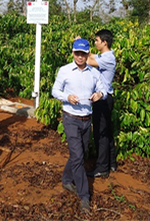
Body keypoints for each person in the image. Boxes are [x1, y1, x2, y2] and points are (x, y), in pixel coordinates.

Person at [51, 38, 107, 214]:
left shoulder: (94, 72)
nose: (80, 57)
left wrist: (100, 95)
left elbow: (103, 89)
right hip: (70, 118)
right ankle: (84, 197)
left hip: (86, 119)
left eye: (83, 53)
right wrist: (67, 98)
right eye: (77, 53)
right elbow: (55, 91)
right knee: (78, 157)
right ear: (73, 53)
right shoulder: (65, 71)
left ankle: (67, 179)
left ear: (87, 53)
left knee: (79, 153)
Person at [86, 29, 117, 178]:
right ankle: (111, 163)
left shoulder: (108, 58)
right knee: (107, 132)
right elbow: (92, 56)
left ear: (104, 42)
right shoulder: (106, 55)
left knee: (101, 134)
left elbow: (88, 60)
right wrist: (84, 45)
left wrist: (78, 49)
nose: (95, 43)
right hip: (106, 98)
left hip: (102, 99)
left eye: (97, 41)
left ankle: (102, 168)